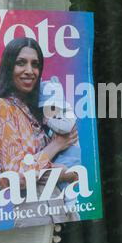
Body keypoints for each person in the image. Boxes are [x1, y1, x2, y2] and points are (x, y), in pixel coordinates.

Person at [0, 37, 78, 227]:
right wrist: (56, 146)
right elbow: (18, 179)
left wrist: (67, 173)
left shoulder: (32, 109)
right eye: (20, 63)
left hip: (58, 205)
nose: (29, 71)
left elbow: (69, 172)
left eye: (35, 65)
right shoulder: (1, 107)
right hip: (34, 210)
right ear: (8, 67)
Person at [39, 76, 81, 220]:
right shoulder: (54, 119)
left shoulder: (68, 116)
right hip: (62, 157)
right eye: (46, 109)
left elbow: (65, 128)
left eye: (53, 108)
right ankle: (69, 204)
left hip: (71, 156)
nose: (50, 112)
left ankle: (71, 204)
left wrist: (49, 121)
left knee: (68, 185)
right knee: (63, 184)